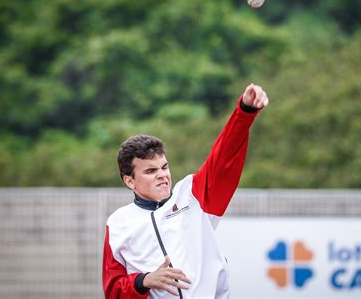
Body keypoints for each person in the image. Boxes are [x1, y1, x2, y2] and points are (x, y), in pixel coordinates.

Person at [102, 83, 269, 298]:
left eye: (164, 167)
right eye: (151, 171)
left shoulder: (193, 196)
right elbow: (113, 290)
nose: (162, 175)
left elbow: (225, 156)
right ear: (130, 181)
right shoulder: (117, 223)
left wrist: (245, 111)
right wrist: (143, 281)